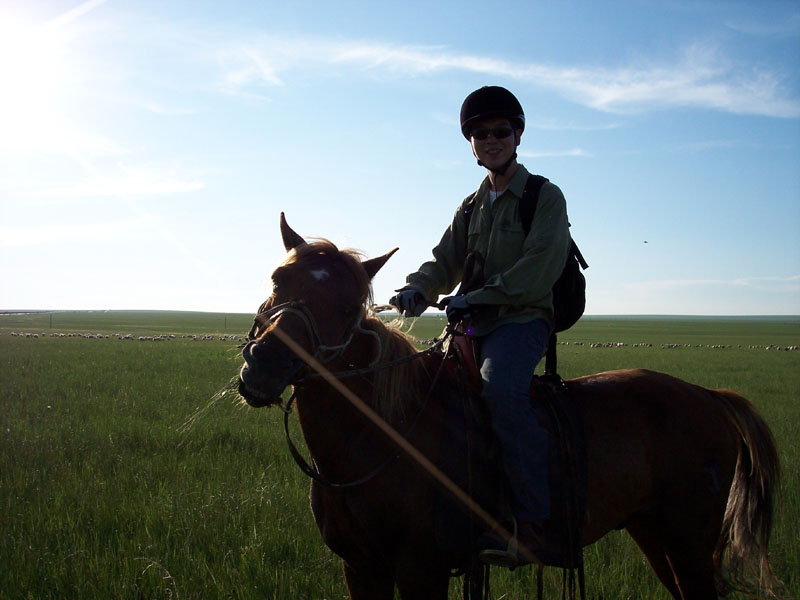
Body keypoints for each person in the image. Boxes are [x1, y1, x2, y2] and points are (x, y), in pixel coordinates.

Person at [390, 86, 571, 567]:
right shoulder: (469, 207)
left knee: (499, 391)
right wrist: (417, 290)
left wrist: (473, 298)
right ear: (470, 142)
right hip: (472, 324)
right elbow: (443, 261)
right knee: (426, 392)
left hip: (522, 319)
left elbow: (538, 270)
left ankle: (533, 525)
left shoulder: (544, 197)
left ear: (517, 135)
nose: (491, 140)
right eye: (480, 133)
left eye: (500, 131)